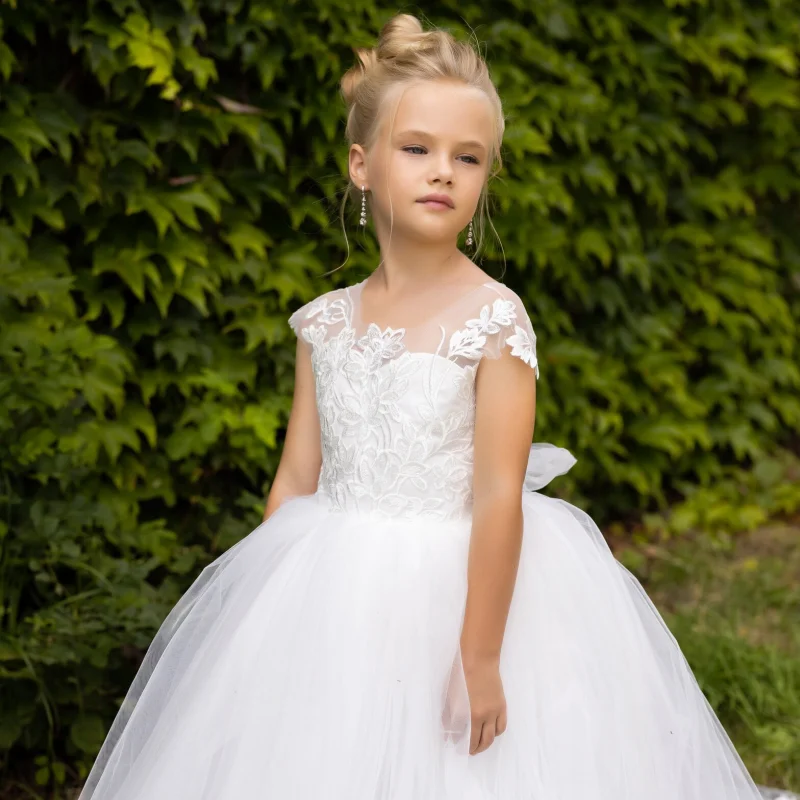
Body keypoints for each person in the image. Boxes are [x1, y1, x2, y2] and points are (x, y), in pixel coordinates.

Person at [79, 13, 764, 800]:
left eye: (467, 158)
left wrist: (478, 656)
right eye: (418, 149)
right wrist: (268, 617)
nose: (443, 171)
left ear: (484, 177)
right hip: (331, 589)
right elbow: (297, 475)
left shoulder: (494, 320)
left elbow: (499, 491)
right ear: (362, 165)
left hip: (456, 590)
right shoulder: (324, 322)